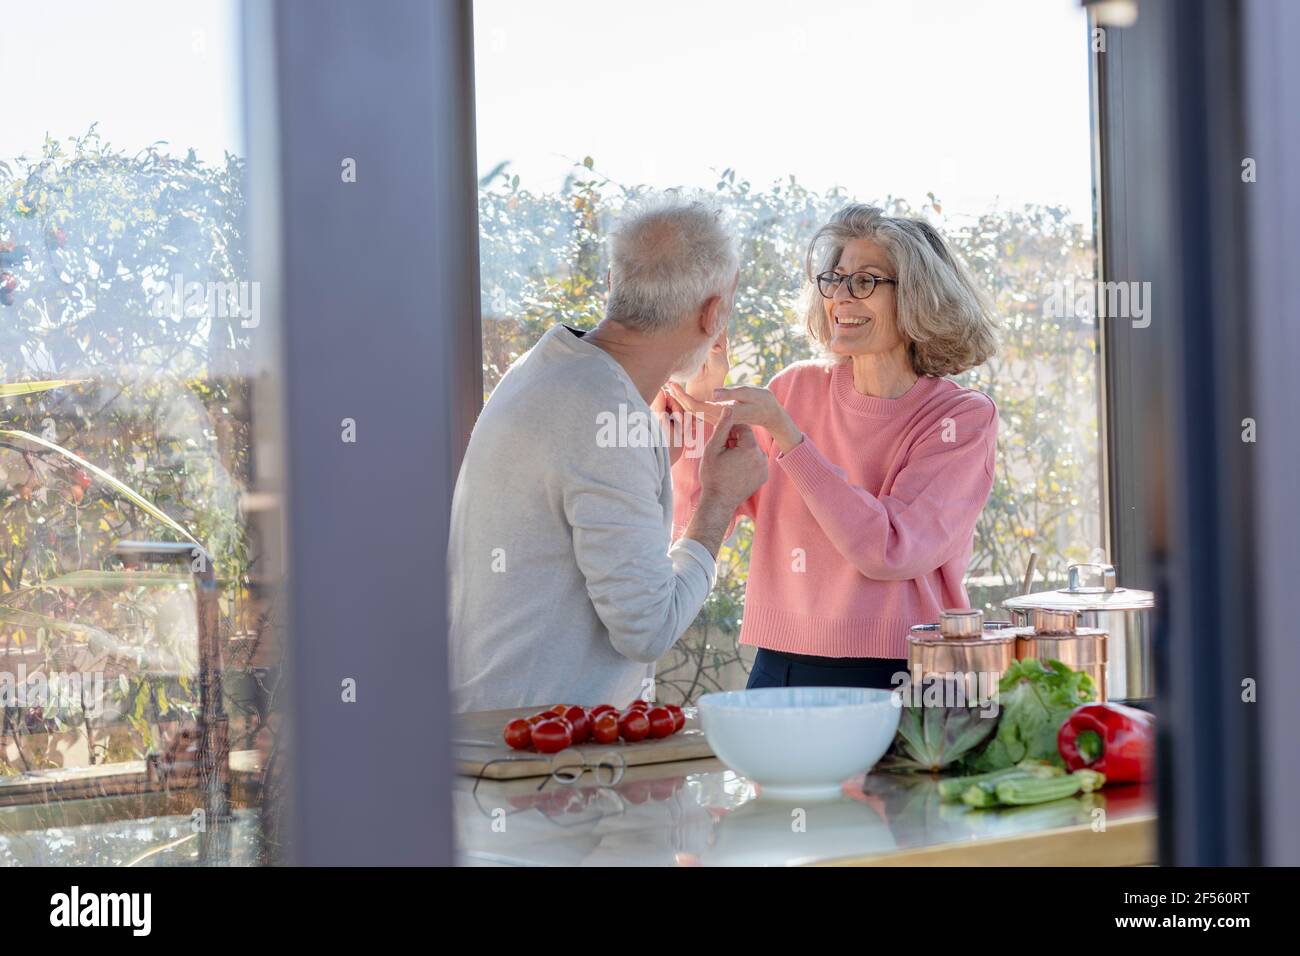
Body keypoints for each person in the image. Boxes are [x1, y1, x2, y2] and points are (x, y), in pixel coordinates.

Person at [448, 196, 767, 711]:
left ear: (615, 286)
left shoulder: (543, 367)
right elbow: (647, 627)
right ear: (713, 315)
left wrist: (662, 441)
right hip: (535, 759)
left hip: (492, 729)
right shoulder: (608, 417)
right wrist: (718, 502)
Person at [667, 204, 999, 690]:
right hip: (780, 664)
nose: (840, 297)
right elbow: (701, 508)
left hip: (905, 671)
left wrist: (791, 441)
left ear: (918, 299)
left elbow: (889, 551)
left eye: (864, 281)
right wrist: (698, 404)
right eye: (834, 279)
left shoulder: (961, 419)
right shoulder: (794, 390)